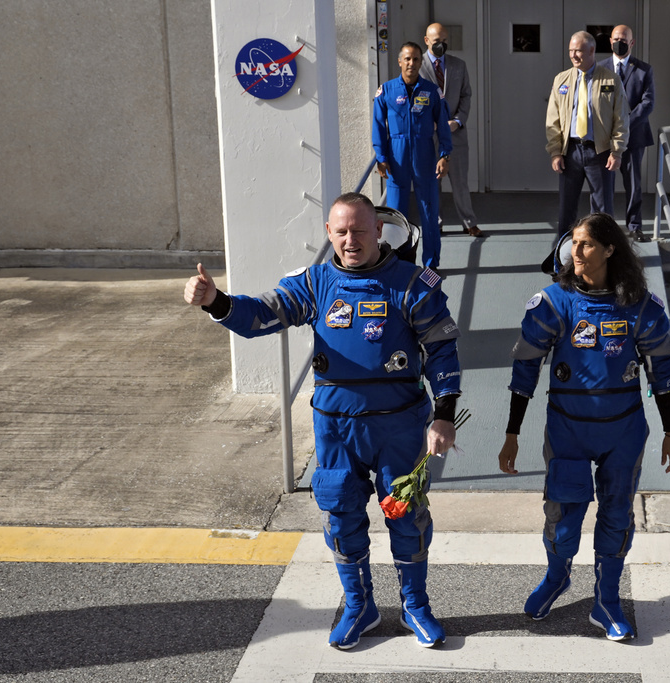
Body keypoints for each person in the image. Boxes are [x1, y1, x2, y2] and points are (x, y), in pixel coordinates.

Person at [183, 192, 461, 650]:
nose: (351, 240)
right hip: (336, 429)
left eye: (360, 230)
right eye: (341, 231)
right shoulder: (313, 283)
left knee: (407, 517)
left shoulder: (414, 284)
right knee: (342, 515)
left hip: (399, 425)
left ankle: (415, 606)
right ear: (329, 234)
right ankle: (359, 606)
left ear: (379, 231)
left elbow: (443, 350)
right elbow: (261, 316)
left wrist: (445, 415)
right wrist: (216, 301)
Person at [496, 213, 670, 642]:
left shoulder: (641, 306)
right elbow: (525, 372)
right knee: (563, 520)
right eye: (574, 244)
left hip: (624, 431)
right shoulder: (554, 303)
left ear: (610, 249)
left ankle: (606, 600)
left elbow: (662, 372)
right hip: (568, 432)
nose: (576, 252)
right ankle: (556, 577)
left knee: (616, 517)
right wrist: (511, 434)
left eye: (586, 245)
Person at [373, 42, 453, 270]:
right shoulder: (386, 90)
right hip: (396, 157)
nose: (411, 63)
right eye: (407, 59)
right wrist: (381, 156)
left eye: (416, 59)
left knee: (429, 211)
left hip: (425, 155)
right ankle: (399, 265)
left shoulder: (431, 91)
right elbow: (378, 125)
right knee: (397, 216)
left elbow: (444, 127)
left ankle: (431, 265)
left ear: (421, 62)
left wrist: (444, 155)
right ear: (399, 61)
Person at [546, 31, 629, 237]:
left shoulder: (611, 80)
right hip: (570, 151)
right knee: (567, 209)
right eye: (571, 51)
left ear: (592, 50)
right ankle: (564, 257)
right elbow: (553, 119)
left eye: (579, 51)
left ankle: (605, 258)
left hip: (599, 152)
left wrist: (616, 151)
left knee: (602, 211)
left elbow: (621, 119)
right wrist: (556, 152)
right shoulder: (561, 80)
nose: (574, 55)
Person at [420, 22, 484, 238]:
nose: (441, 45)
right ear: (427, 40)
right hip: (429, 137)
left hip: (455, 134)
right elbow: (413, 101)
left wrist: (458, 121)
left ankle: (469, 222)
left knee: (460, 182)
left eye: (445, 41)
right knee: (432, 183)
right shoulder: (417, 66)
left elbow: (467, 95)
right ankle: (436, 224)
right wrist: (431, 122)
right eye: (437, 41)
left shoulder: (459, 65)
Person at [598, 25, 655, 243]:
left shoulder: (643, 70)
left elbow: (648, 103)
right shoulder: (599, 68)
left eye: (624, 39)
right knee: (605, 184)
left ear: (632, 42)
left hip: (634, 137)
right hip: (604, 138)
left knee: (633, 183)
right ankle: (606, 228)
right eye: (616, 38)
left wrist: (624, 125)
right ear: (610, 40)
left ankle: (635, 226)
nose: (619, 42)